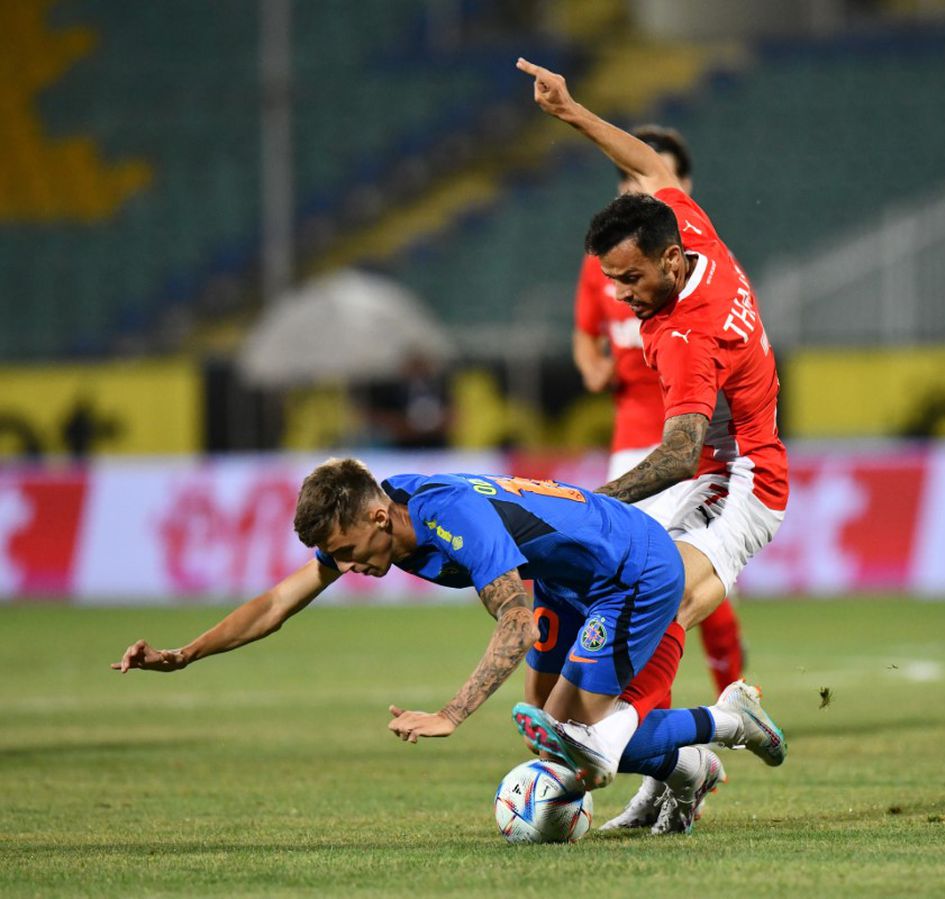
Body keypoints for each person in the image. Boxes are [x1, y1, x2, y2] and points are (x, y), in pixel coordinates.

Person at [111, 458, 786, 835]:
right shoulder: (381, 515)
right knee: (554, 733)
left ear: (378, 517)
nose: (348, 570)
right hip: (569, 579)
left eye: (349, 554)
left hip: (630, 570)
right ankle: (689, 766)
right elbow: (277, 603)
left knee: (582, 732)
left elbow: (515, 624)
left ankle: (728, 723)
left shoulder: (443, 514)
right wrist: (183, 654)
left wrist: (452, 712)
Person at [518, 58, 791, 829]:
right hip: (714, 472)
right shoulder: (691, 230)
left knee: (656, 598)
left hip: (743, 481)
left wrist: (584, 503)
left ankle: (632, 743)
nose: (621, 294)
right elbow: (645, 164)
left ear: (668, 262)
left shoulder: (680, 338)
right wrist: (572, 112)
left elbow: (676, 452)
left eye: (630, 279)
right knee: (646, 603)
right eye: (611, 279)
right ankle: (675, 769)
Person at [573, 124, 748, 702]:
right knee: (641, 589)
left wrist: (590, 504)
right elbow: (585, 333)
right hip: (633, 440)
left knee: (688, 593)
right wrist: (590, 364)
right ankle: (659, 729)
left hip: (692, 446)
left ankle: (727, 700)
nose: (624, 293)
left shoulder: (691, 284)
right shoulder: (609, 266)